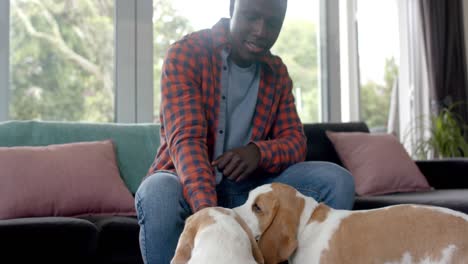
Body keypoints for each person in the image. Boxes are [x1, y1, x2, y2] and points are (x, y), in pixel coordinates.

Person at [135, 0, 355, 263]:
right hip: (185, 185)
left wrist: (259, 153)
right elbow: (187, 142)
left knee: (337, 180)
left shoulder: (278, 73)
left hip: (249, 192)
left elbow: (296, 142)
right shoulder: (187, 53)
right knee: (157, 193)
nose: (261, 31)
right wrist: (211, 214)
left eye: (273, 23)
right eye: (251, 17)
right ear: (232, 9)